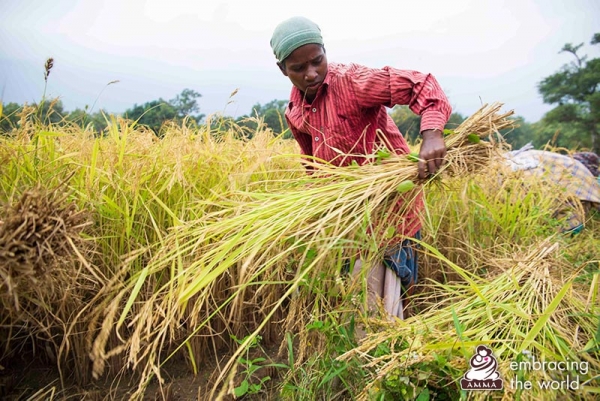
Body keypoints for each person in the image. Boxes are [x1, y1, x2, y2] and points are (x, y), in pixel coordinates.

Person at [270, 16, 452, 319]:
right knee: (360, 303)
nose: (312, 74)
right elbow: (313, 164)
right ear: (282, 70)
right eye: (298, 68)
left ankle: (393, 358)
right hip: (351, 218)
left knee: (385, 306)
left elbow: (422, 84)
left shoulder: (354, 82)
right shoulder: (295, 111)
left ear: (325, 52)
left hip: (392, 209)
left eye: (317, 61)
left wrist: (432, 134)